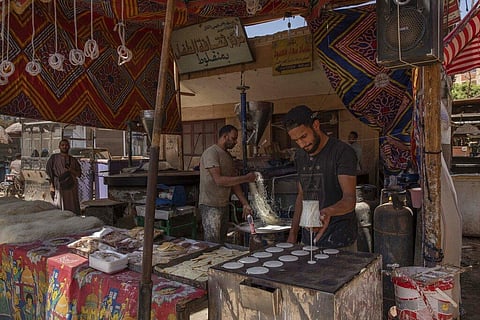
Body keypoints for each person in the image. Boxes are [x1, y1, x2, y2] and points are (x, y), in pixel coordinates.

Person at [283, 105, 358, 250]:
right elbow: (301, 195)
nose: (302, 144)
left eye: (304, 136)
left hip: (340, 239)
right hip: (308, 240)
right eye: (296, 140)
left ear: (316, 125)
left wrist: (326, 212)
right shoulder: (300, 156)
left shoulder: (342, 152)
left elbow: (350, 199)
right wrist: (293, 233)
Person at [199, 125, 256, 243]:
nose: (235, 142)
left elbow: (233, 183)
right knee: (212, 242)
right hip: (210, 205)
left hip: (223, 204)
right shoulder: (211, 153)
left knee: (222, 241)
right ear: (225, 137)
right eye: (233, 138)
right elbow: (219, 180)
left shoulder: (228, 157)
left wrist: (245, 203)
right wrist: (245, 178)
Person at [46, 139, 82, 215]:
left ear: (69, 147)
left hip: (71, 187)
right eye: (62, 145)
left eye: (66, 145)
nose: (64, 147)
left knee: (72, 205)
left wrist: (71, 170)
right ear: (59, 146)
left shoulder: (73, 160)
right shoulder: (54, 158)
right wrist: (51, 185)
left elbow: (79, 174)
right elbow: (49, 172)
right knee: (59, 204)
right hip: (59, 185)